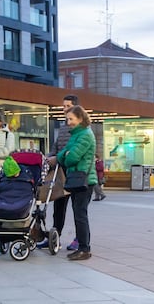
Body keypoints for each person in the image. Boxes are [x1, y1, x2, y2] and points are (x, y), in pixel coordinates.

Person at [38, 95, 79, 250]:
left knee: (77, 209)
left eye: (67, 106)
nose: (64, 109)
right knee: (58, 207)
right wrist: (48, 158)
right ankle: (55, 237)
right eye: (63, 106)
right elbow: (56, 146)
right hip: (60, 172)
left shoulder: (79, 128)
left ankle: (79, 238)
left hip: (74, 172)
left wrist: (58, 157)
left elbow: (72, 149)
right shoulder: (63, 127)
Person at [57, 105, 97, 261]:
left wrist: (66, 155)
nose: (68, 122)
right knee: (78, 213)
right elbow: (62, 154)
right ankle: (82, 246)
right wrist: (66, 155)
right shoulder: (76, 135)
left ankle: (84, 249)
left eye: (71, 119)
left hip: (84, 180)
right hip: (76, 179)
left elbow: (72, 157)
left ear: (80, 118)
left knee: (80, 215)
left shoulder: (85, 135)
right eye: (67, 119)